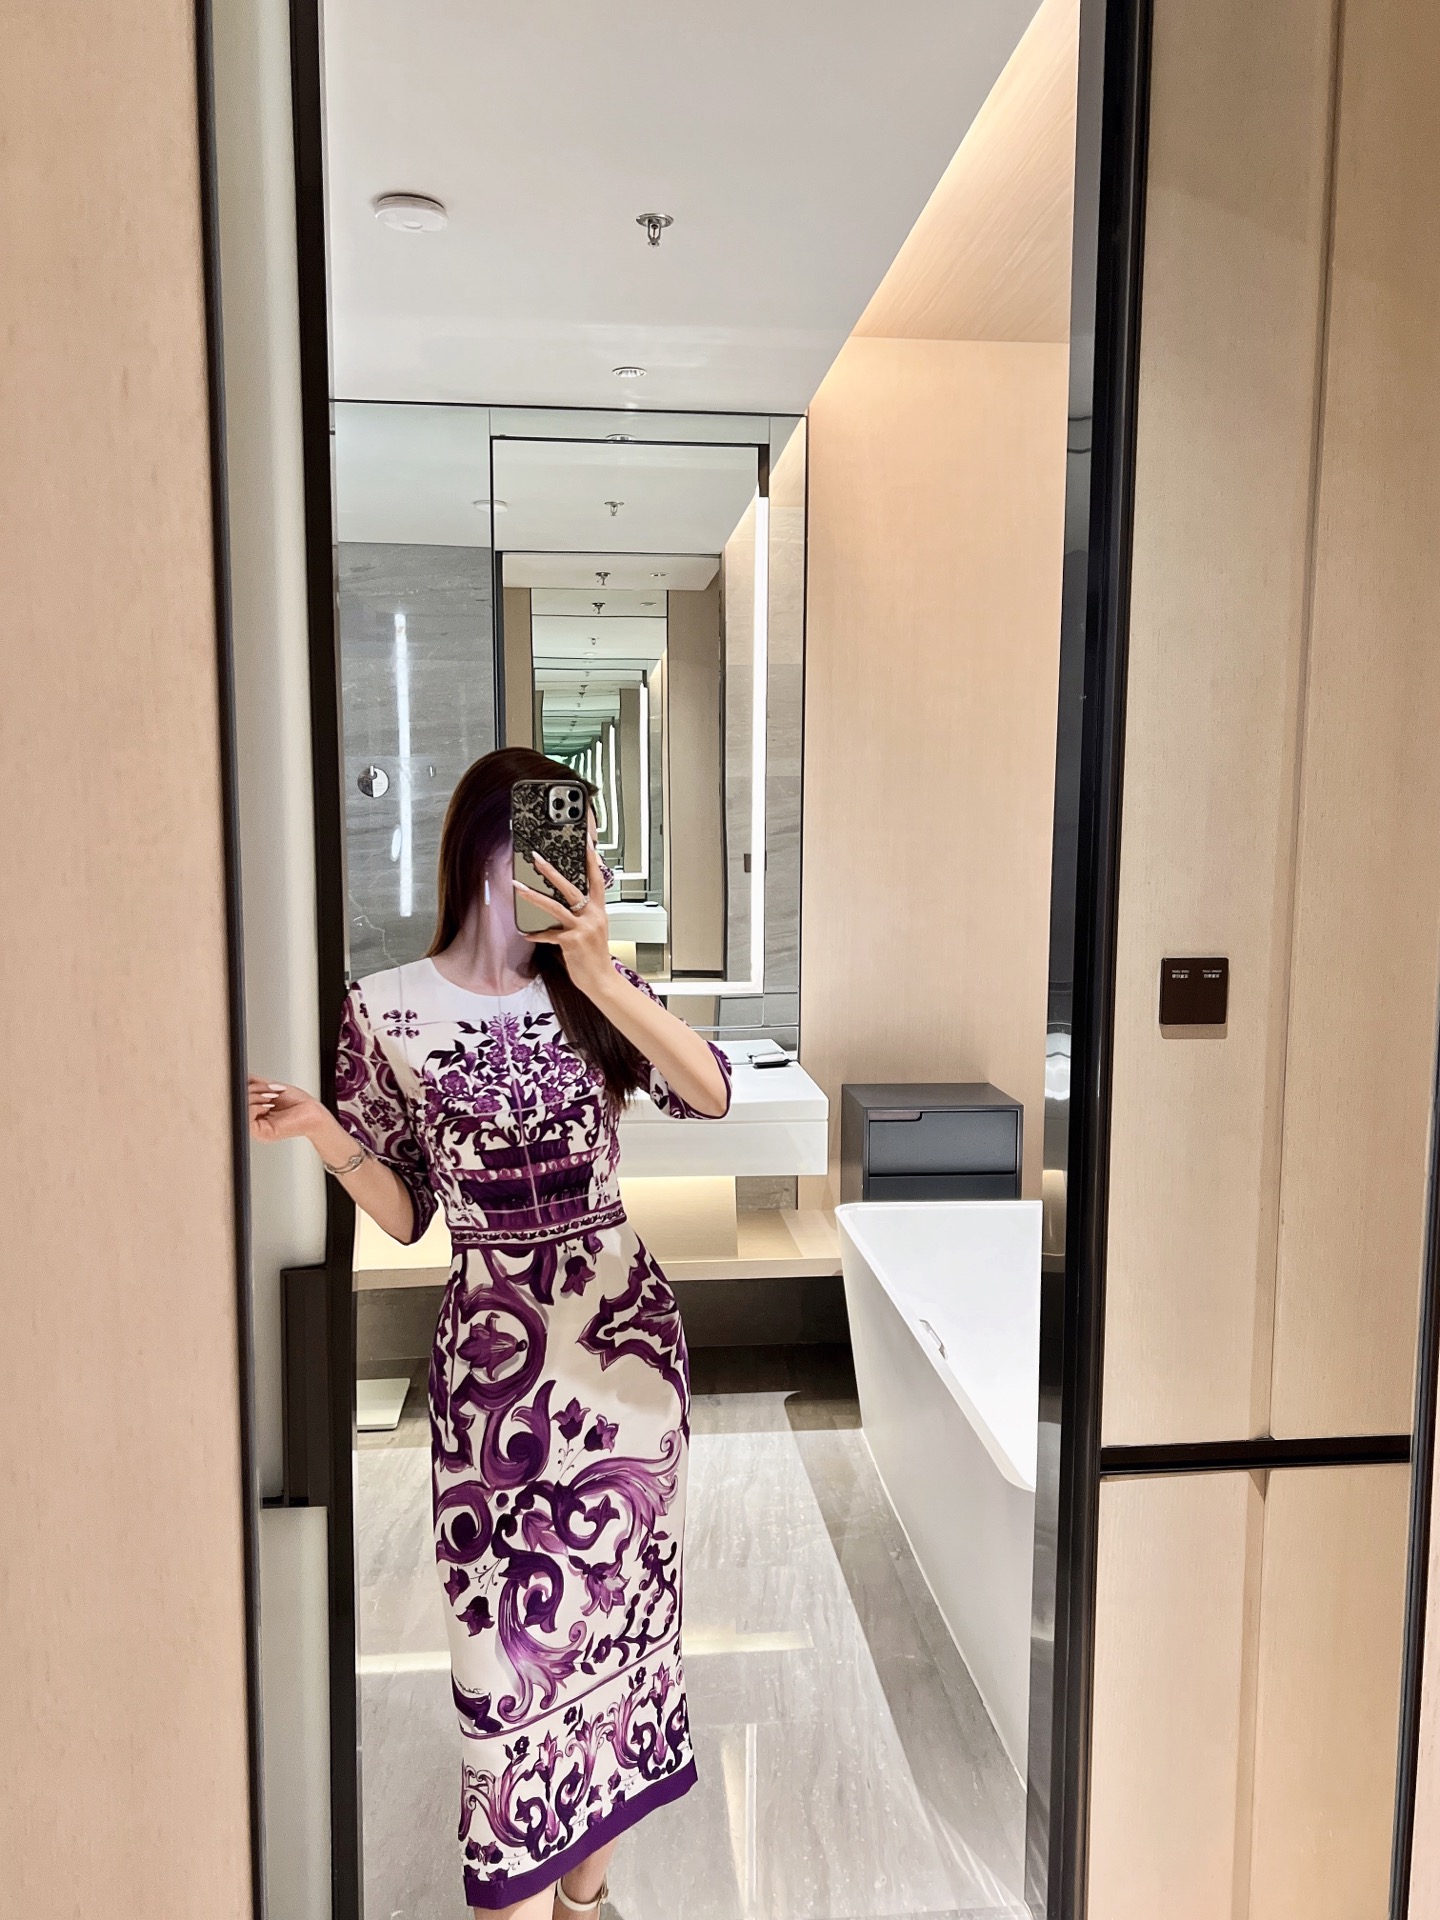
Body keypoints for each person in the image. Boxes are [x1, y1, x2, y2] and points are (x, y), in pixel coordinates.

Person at [249, 747, 731, 1918]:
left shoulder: (594, 987)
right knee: (499, 1653)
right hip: (494, 1375)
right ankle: (519, 1891)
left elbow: (710, 1091)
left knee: (619, 1628)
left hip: (624, 1351)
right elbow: (408, 1214)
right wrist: (324, 1133)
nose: (579, 868)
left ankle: (587, 1900)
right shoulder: (384, 1008)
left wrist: (603, 972)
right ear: (480, 848)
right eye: (556, 843)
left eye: (586, 846)